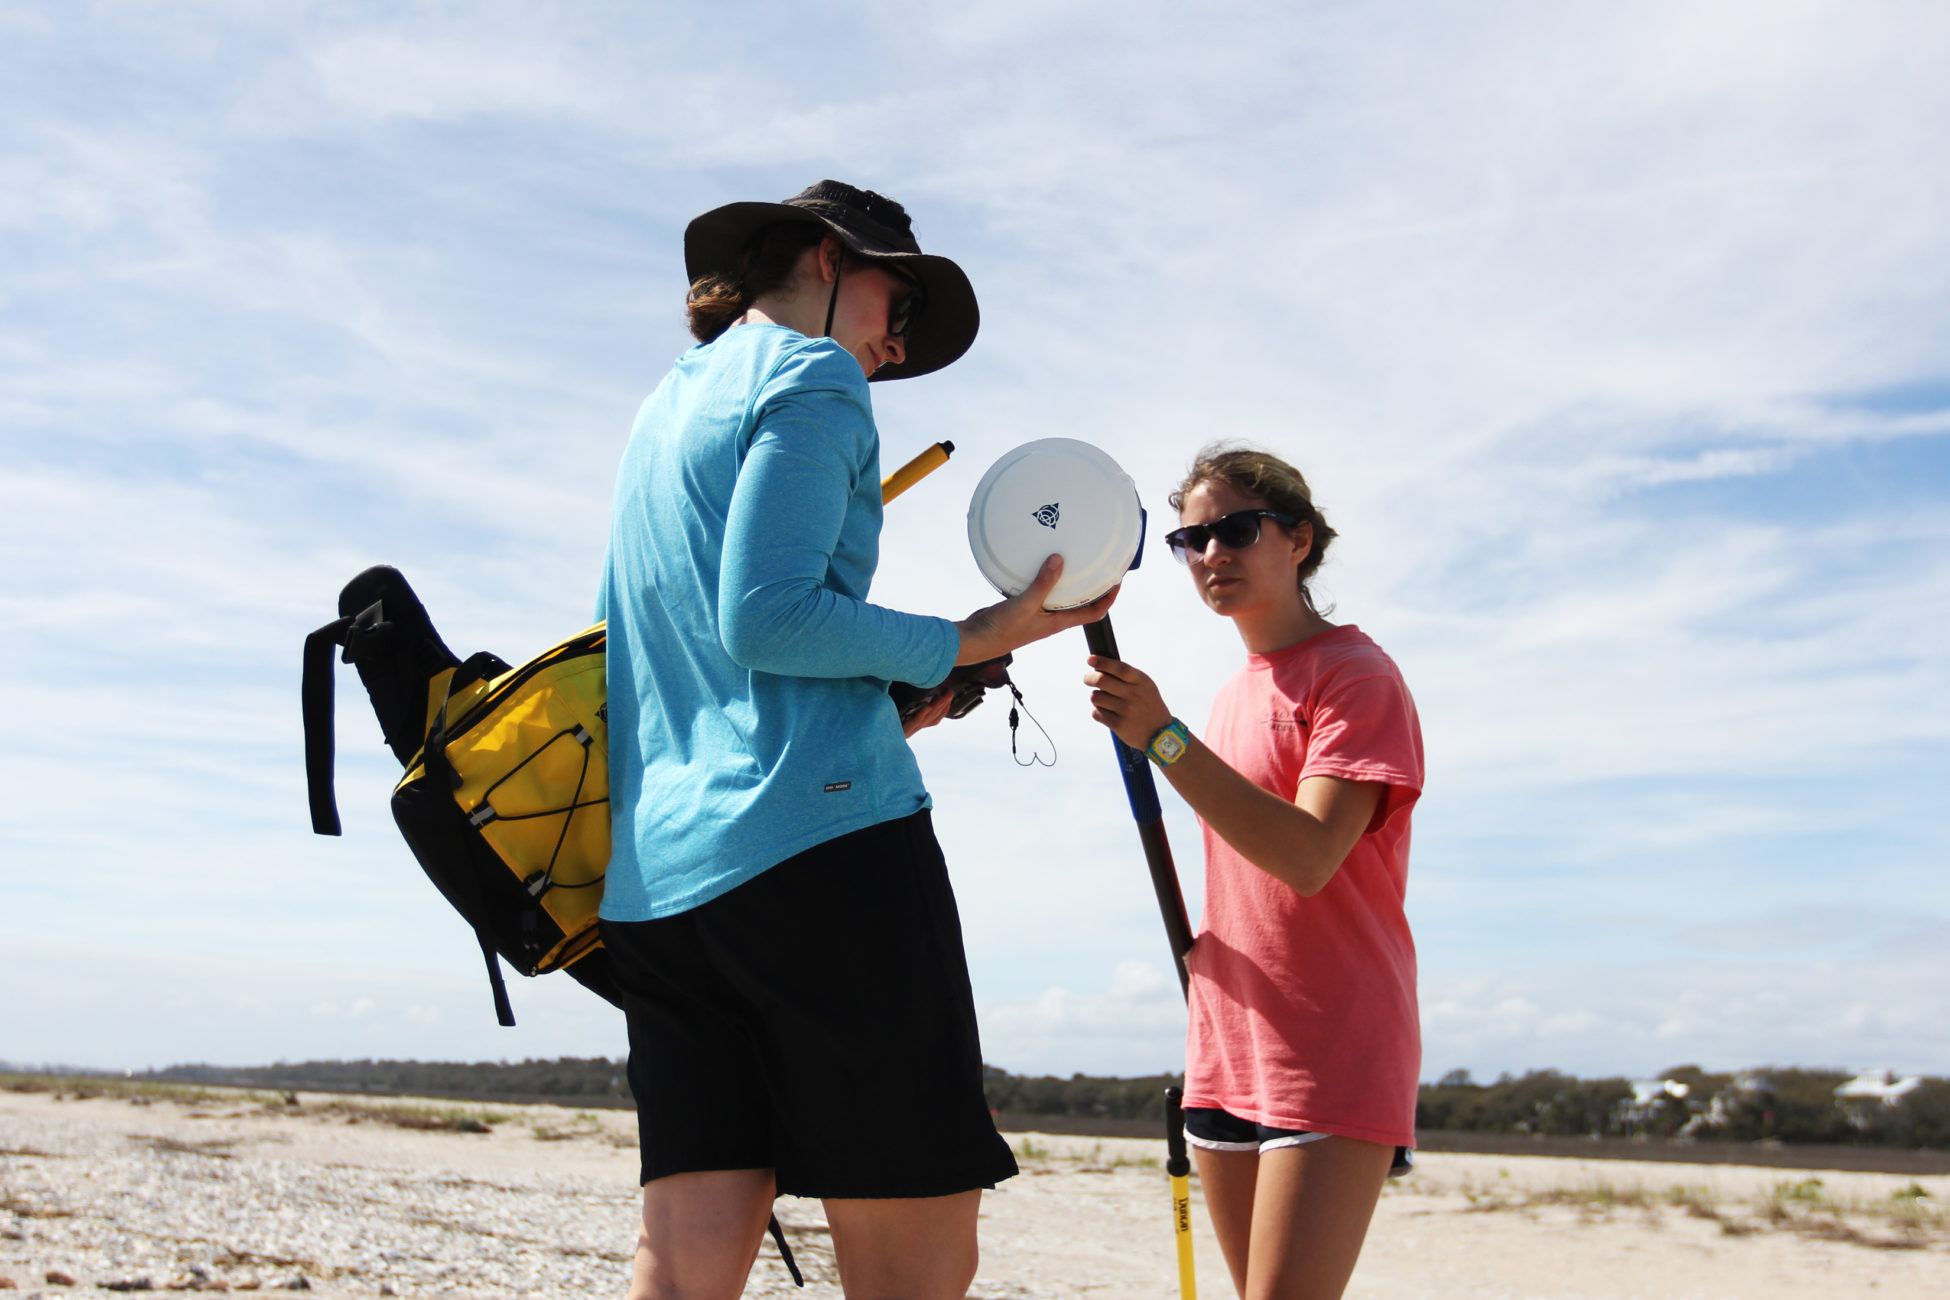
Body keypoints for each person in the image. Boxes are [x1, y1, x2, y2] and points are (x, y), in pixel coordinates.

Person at [596, 180, 1115, 1300]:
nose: (897, 342)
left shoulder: (664, 406)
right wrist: (971, 634)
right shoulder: (811, 373)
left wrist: (885, 687)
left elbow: (707, 646)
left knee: (682, 1267)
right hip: (820, 859)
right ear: (829, 259)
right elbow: (767, 614)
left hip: (659, 884)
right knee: (913, 1267)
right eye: (898, 300)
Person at [1082, 445, 1423, 1300]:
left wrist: (1164, 739)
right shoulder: (1234, 694)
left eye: (1235, 530)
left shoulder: (1356, 677)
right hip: (1228, 1042)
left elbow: (1308, 857)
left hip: (1332, 1043)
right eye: (1190, 540)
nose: (1211, 556)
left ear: (1299, 539)